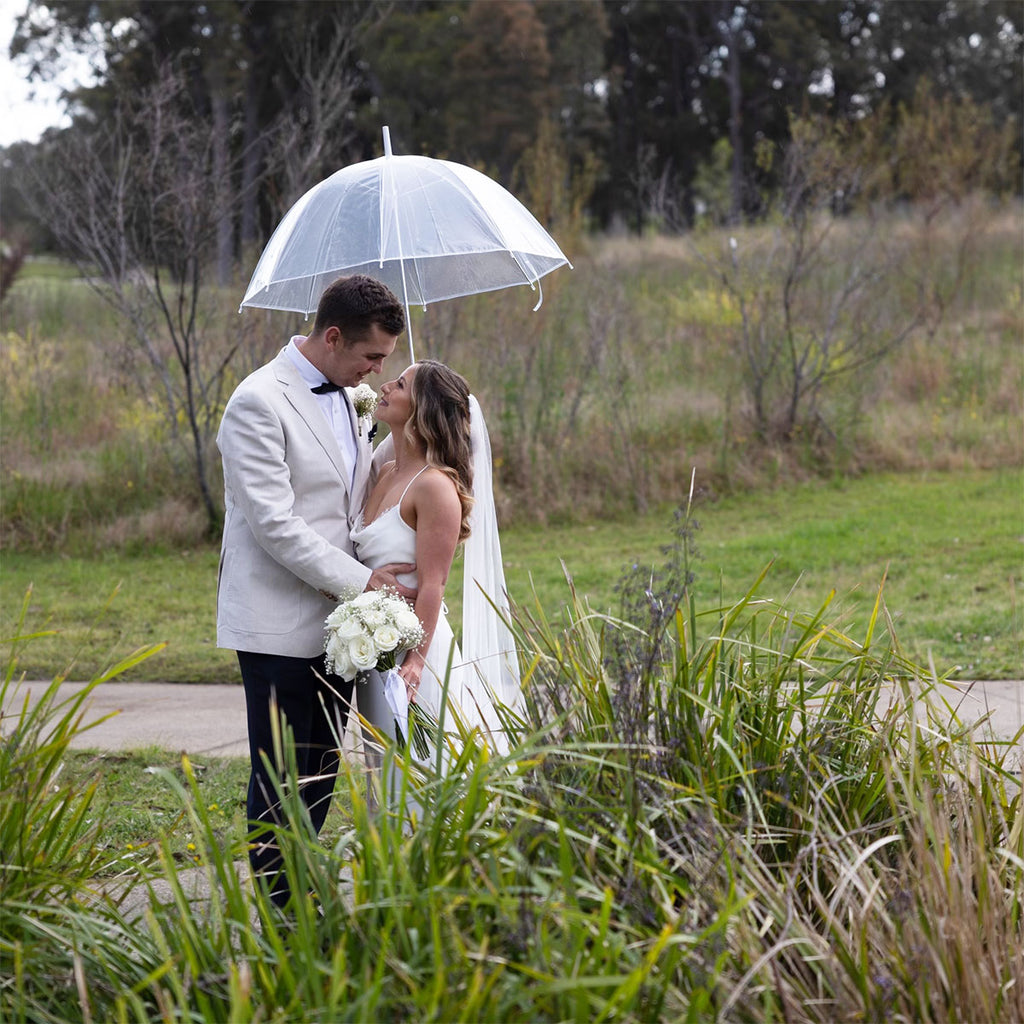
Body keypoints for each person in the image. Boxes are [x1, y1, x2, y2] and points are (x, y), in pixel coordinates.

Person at [216, 274, 413, 908]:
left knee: (321, 774)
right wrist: (366, 582)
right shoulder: (257, 402)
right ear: (332, 337)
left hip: (341, 632)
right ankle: (283, 921)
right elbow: (275, 525)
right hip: (278, 625)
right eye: (372, 357)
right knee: (280, 778)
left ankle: (301, 902)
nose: (378, 371)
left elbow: (349, 498)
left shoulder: (350, 398)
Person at [350, 360, 524, 791]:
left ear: (422, 410)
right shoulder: (386, 471)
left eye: (401, 384)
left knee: (424, 776)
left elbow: (433, 583)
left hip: (414, 655)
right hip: (374, 649)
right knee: (385, 773)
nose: (385, 385)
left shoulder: (434, 487)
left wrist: (416, 662)